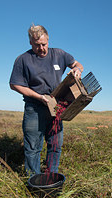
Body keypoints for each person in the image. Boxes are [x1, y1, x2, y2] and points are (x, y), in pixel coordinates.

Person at [9, 24, 83, 176]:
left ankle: (51, 175)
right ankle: (33, 179)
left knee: (55, 145)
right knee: (33, 147)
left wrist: (77, 69)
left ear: (48, 40)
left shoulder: (59, 54)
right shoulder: (23, 59)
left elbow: (77, 63)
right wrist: (39, 97)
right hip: (34, 108)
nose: (41, 48)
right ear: (30, 42)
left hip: (56, 107)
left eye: (44, 44)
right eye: (37, 45)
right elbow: (14, 84)